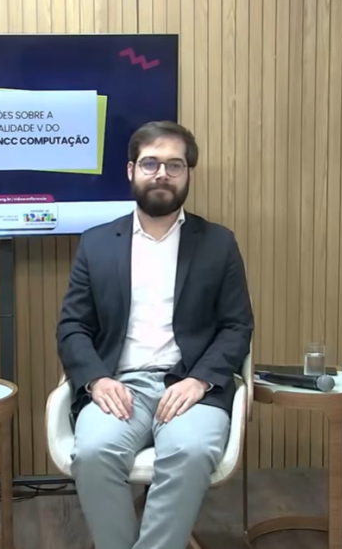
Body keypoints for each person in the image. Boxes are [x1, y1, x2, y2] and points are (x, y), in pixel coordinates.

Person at [56, 121, 254, 549]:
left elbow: (237, 325)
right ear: (131, 170)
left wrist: (200, 380)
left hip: (189, 387)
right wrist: (96, 379)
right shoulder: (96, 244)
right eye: (150, 163)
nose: (162, 174)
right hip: (117, 386)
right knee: (92, 454)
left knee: (190, 452)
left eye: (174, 165)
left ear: (188, 174)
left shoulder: (218, 243)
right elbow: (73, 326)